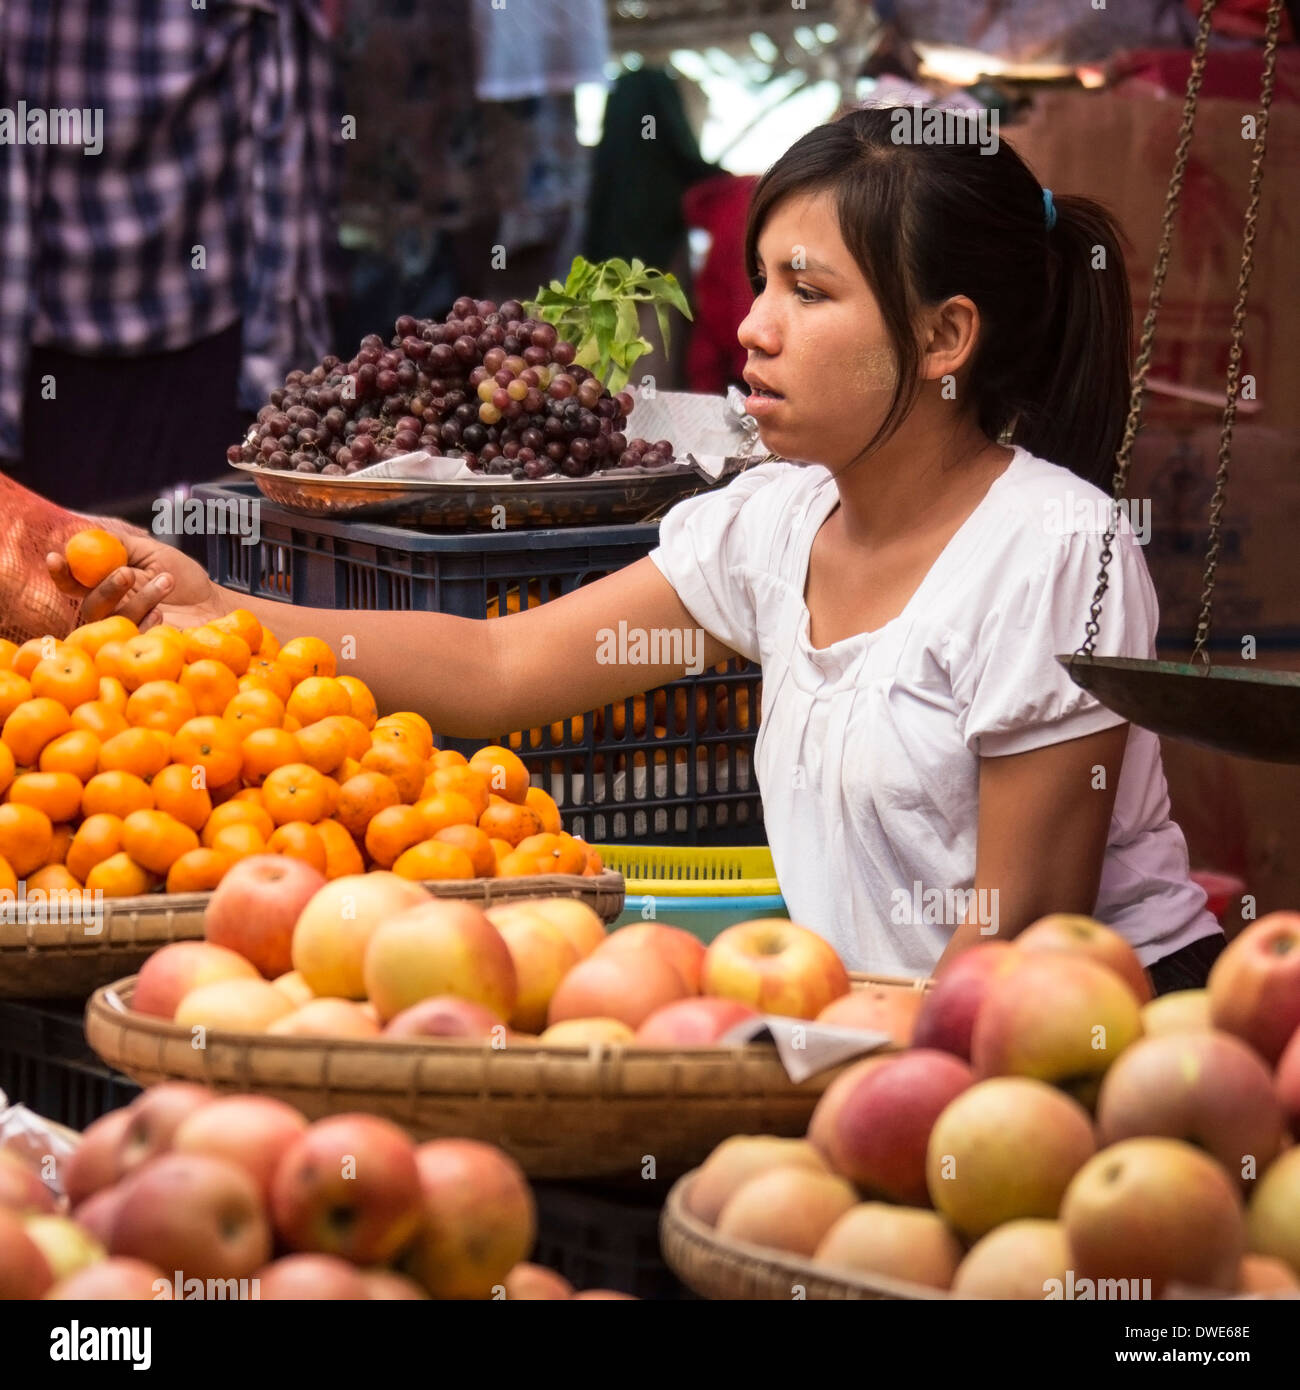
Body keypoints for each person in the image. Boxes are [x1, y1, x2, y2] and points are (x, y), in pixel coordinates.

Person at [50, 107, 1224, 991]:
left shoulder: (1052, 550)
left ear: (942, 335)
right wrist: (228, 611)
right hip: (874, 1052)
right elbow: (502, 669)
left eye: (807, 293)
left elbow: (1008, 954)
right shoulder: (776, 522)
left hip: (1079, 1066)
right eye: (760, 280)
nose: (752, 326)